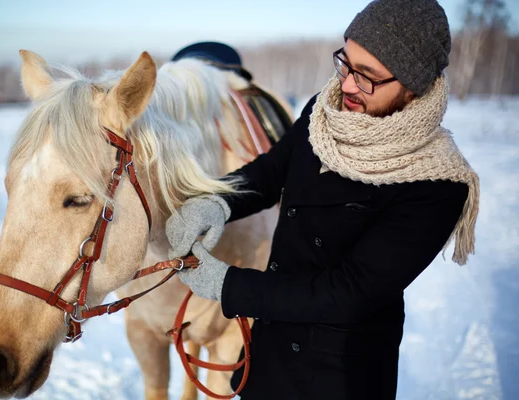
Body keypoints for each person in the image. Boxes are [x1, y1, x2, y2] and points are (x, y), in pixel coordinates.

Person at [165, 0, 480, 398]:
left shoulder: (437, 184)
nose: (346, 85)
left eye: (367, 76)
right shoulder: (323, 111)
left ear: (413, 85)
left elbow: (349, 293)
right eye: (345, 63)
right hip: (269, 358)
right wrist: (217, 202)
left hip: (336, 377)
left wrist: (228, 285)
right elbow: (270, 171)